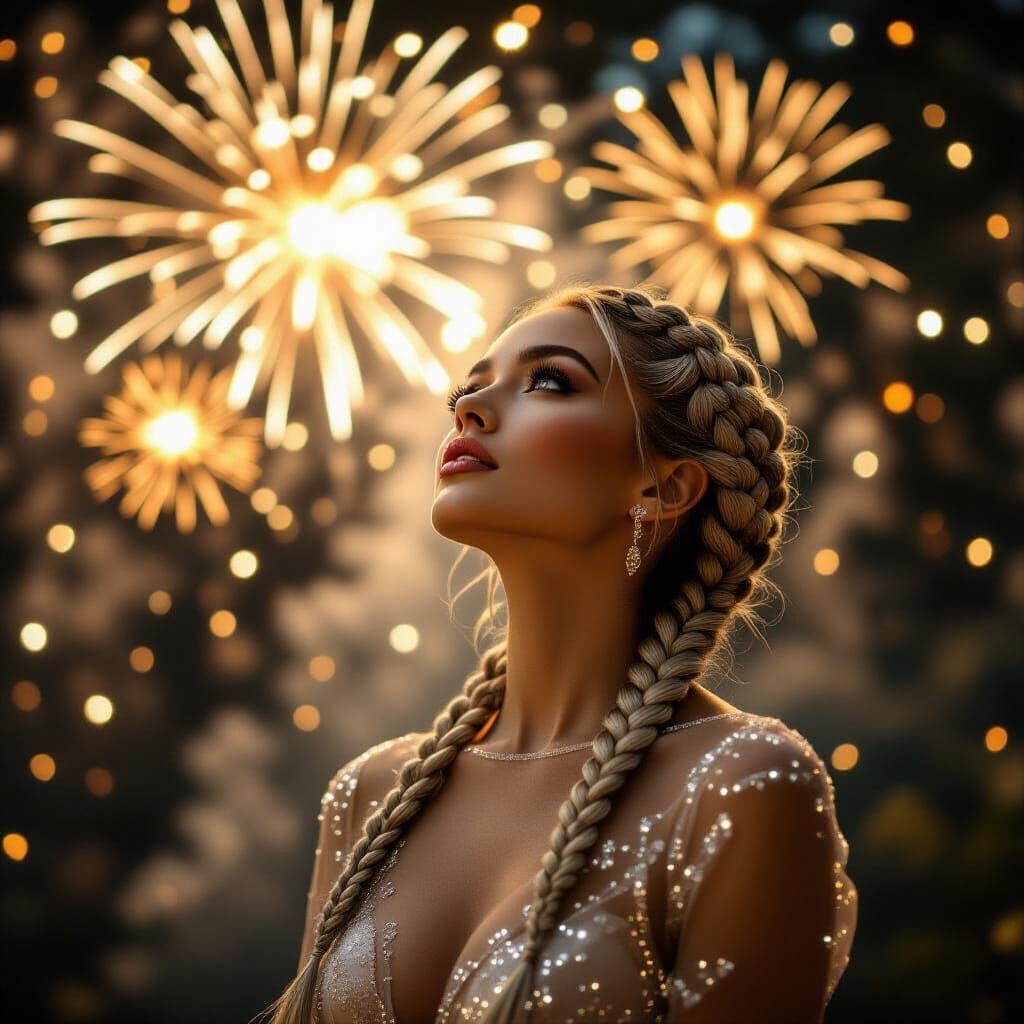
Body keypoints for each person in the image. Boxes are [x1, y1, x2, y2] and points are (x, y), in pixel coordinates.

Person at [258, 283, 858, 1024]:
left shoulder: (740, 784)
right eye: (468, 388)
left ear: (663, 485)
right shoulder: (370, 796)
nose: (470, 409)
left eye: (549, 381)